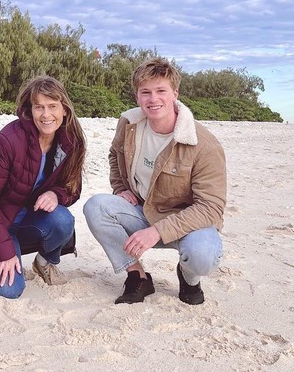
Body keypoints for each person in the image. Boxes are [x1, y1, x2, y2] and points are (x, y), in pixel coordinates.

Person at [83, 57, 226, 306]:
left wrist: (157, 231)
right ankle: (137, 276)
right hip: (143, 210)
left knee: (202, 256)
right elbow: (115, 154)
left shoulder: (204, 144)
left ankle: (188, 278)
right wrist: (120, 188)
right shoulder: (129, 123)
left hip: (189, 222)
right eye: (145, 92)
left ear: (175, 94)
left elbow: (211, 208)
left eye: (161, 91)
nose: (153, 99)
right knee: (96, 206)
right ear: (137, 96)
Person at [0, 76, 86, 297]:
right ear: (30, 110)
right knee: (7, 290)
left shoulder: (71, 140)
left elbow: (73, 188)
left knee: (62, 220)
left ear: (64, 109)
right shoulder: (9, 141)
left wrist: (56, 194)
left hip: (30, 221)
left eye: (52, 106)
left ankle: (45, 262)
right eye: (39, 107)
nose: (46, 115)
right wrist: (5, 252)